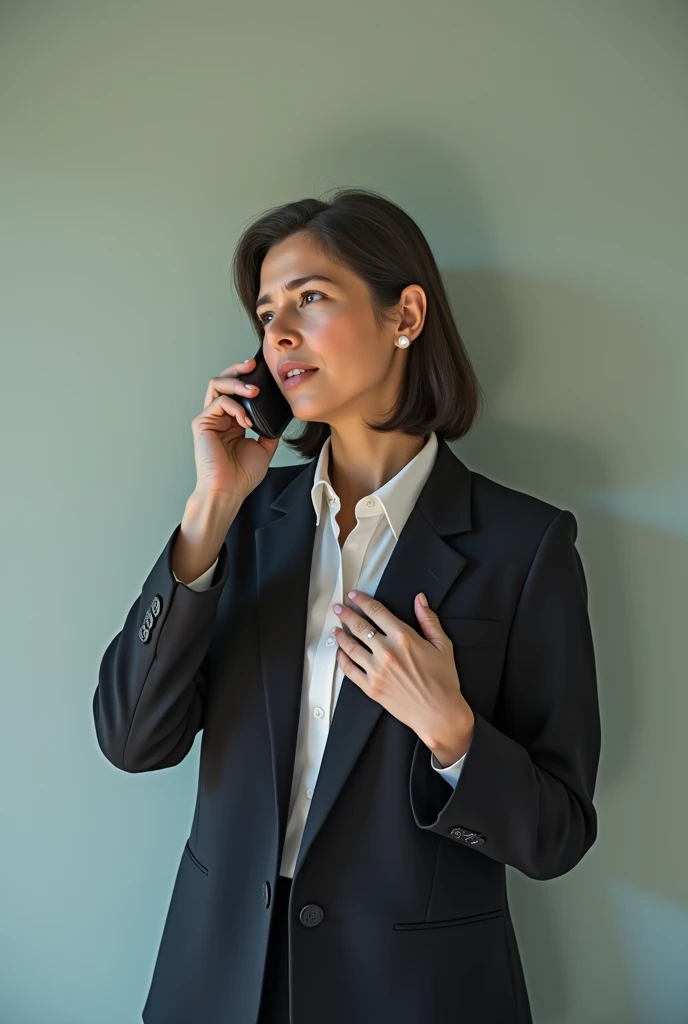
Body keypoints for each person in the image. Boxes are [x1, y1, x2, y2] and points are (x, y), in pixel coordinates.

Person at [93, 187, 601, 1024]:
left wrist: (452, 732)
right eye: (266, 313)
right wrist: (208, 512)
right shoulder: (240, 524)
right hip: (219, 984)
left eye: (311, 298)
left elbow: (557, 836)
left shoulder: (526, 546)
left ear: (405, 314)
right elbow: (132, 740)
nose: (280, 332)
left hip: (414, 994)